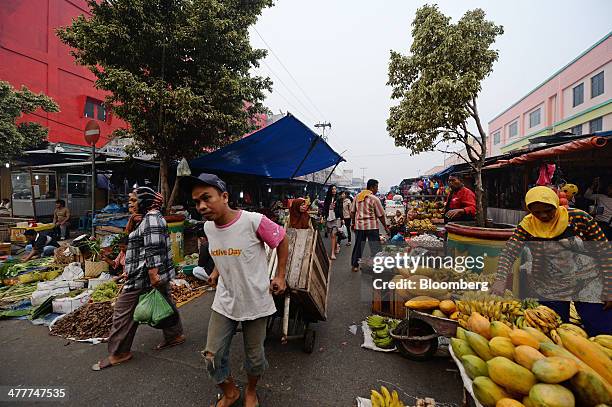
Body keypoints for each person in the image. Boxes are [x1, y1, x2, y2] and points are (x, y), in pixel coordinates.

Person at [182, 173, 288, 407]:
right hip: (225, 301)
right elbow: (226, 252)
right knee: (212, 356)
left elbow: (281, 239)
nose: (201, 206)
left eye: (206, 198)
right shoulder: (209, 228)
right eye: (196, 201)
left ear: (225, 196)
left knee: (255, 358)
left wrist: (280, 275)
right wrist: (216, 272)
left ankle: (251, 390)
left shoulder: (253, 221)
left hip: (256, 302)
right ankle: (230, 392)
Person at [492, 186, 611, 336]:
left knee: (601, 330)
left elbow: (604, 251)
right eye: (536, 212)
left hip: (588, 282)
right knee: (553, 331)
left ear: (556, 204)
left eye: (549, 210)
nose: (543, 215)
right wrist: (501, 279)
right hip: (549, 285)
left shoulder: (579, 218)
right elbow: (508, 252)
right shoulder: (527, 226)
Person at [92, 187, 185, 371]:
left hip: (145, 276)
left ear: (144, 201)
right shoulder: (147, 218)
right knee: (166, 302)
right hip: (150, 274)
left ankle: (119, 353)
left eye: (134, 200)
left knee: (123, 311)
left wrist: (152, 274)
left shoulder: (151, 218)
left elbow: (153, 248)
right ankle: (174, 335)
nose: (130, 204)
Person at [350, 179, 389, 272]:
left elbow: (352, 212)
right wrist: (385, 227)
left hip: (359, 227)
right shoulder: (374, 199)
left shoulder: (357, 197)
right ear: (372, 187)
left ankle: (355, 266)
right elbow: (380, 215)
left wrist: (353, 223)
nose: (377, 189)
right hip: (372, 227)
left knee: (358, 246)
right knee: (375, 247)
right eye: (376, 187)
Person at [323, 185, 343, 260]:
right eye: (332, 189)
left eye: (335, 189)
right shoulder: (327, 198)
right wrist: (323, 216)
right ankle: (336, 246)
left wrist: (342, 219)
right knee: (331, 235)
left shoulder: (338, 198)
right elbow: (324, 208)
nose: (334, 190)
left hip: (336, 218)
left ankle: (332, 253)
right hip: (329, 218)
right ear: (330, 190)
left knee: (333, 234)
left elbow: (341, 209)